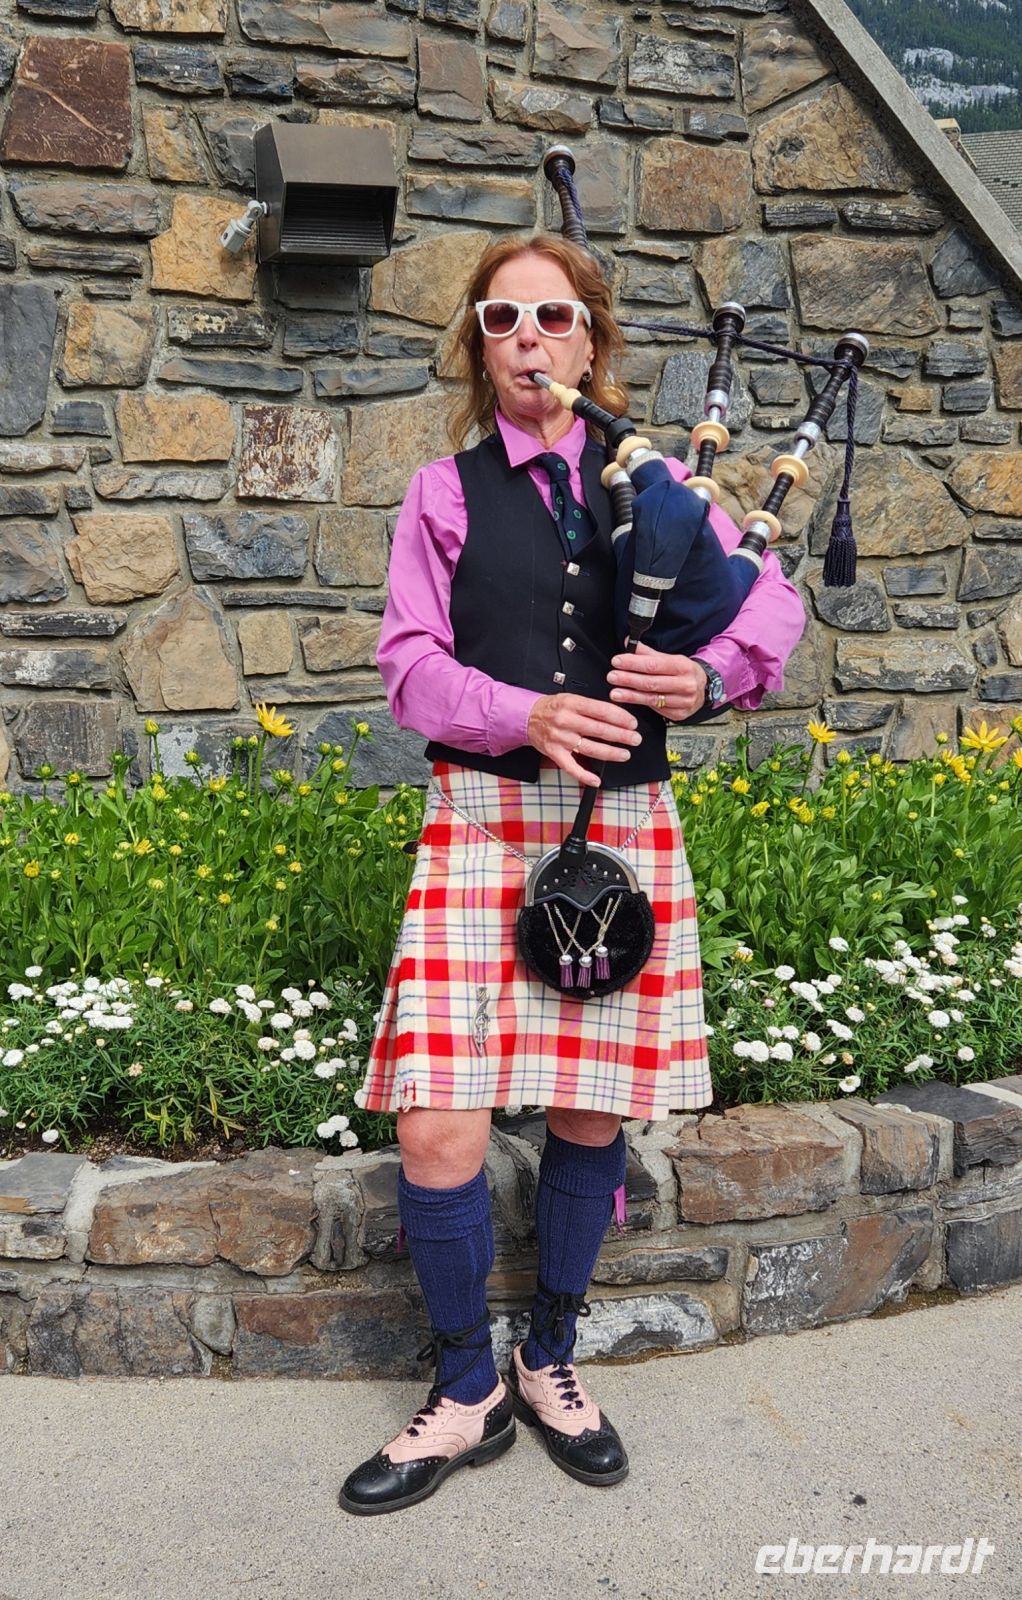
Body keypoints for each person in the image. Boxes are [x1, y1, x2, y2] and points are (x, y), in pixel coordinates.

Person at [338, 234, 805, 1516]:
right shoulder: (442, 490)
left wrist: (713, 677)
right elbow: (406, 665)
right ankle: (462, 1387)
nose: (529, 338)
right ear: (480, 347)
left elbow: (771, 604)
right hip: (484, 816)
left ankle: (548, 1359)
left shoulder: (660, 488)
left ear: (591, 341)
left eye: (552, 316)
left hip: (621, 822)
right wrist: (523, 712)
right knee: (438, 1122)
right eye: (502, 318)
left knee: (589, 1113)